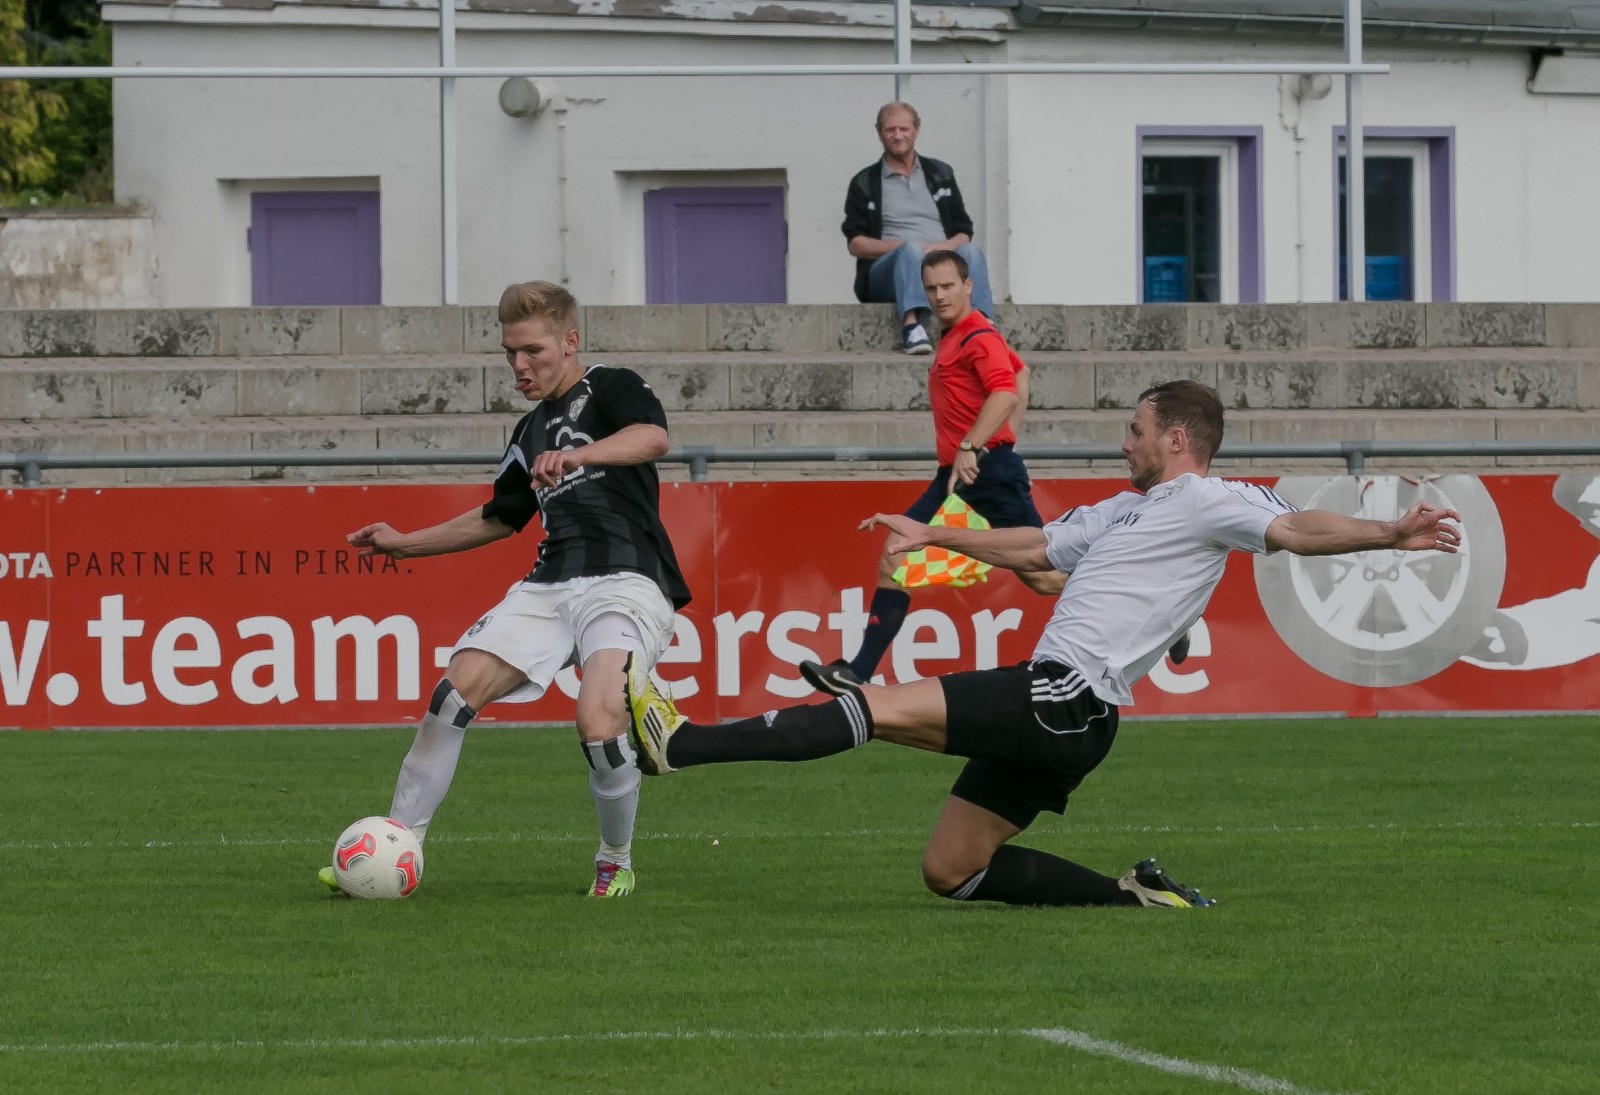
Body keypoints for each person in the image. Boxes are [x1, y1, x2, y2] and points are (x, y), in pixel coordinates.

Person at [623, 380, 1461, 909]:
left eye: (1135, 429)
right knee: (951, 870)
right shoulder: (1118, 511)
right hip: (1073, 715)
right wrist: (929, 534)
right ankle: (1136, 896)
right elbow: (1031, 548)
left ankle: (681, 742)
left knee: (868, 706)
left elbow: (1295, 528)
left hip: (1066, 694)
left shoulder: (1211, 498)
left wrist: (1387, 531)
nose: (1123, 441)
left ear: (1176, 438)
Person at [319, 280, 691, 899]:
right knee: (452, 691)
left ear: (570, 342)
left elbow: (653, 439)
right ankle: (393, 849)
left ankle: (614, 857)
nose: (519, 365)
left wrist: (579, 458)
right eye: (509, 353)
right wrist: (403, 542)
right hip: (550, 585)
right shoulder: (527, 433)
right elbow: (498, 518)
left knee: (597, 717)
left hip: (627, 580)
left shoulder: (613, 386)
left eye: (533, 351)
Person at [799, 248, 1061, 699]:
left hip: (984, 473)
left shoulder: (977, 335)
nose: (939, 296)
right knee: (897, 555)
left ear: (968, 286)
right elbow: (1021, 375)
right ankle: (856, 673)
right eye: (932, 288)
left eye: (948, 286)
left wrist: (975, 446)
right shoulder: (959, 334)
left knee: (1043, 575)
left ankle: (1149, 606)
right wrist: (1001, 444)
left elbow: (1004, 394)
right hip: (963, 474)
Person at [843, 101, 994, 354]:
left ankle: (982, 325)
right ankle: (912, 327)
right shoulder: (864, 182)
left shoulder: (941, 173)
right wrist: (902, 248)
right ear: (879, 132)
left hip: (940, 263)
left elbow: (963, 229)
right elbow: (856, 243)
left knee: (971, 251)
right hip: (887, 272)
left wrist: (946, 246)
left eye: (904, 128)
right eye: (890, 129)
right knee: (911, 250)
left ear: (916, 130)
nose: (898, 135)